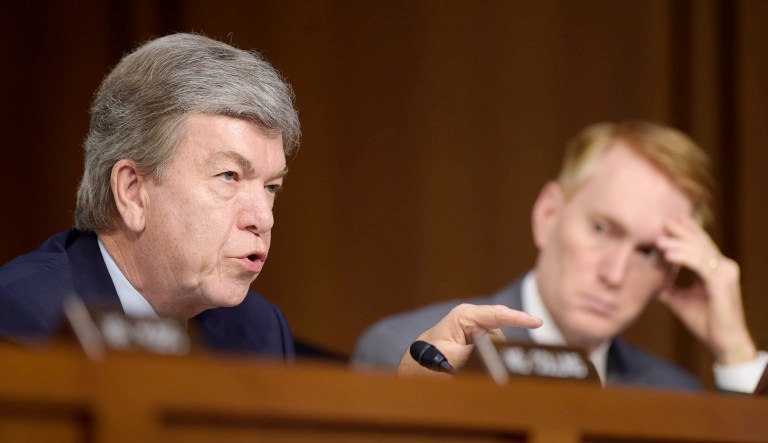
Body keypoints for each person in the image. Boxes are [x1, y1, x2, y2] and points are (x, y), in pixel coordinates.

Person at [0, 32, 543, 366]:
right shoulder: (23, 316)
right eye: (229, 176)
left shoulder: (257, 329)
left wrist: (413, 399)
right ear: (133, 191)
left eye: (272, 187)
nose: (262, 217)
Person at [353, 120, 768, 393]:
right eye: (602, 229)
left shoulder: (673, 393)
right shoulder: (413, 354)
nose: (615, 274)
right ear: (548, 215)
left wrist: (736, 352)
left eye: (648, 251)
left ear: (669, 273)